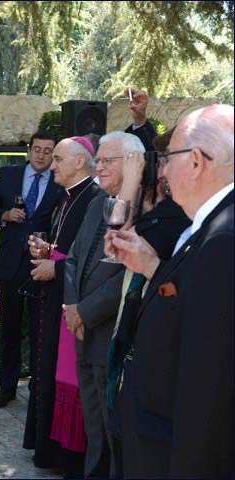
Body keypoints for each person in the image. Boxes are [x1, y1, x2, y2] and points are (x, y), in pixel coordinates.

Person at [110, 104, 233, 478]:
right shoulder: (211, 226)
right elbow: (193, 309)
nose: (161, 171)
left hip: (169, 453)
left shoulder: (223, 238)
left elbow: (209, 388)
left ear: (195, 162)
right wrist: (151, 267)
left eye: (168, 159)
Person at [104, 126, 190, 478]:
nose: (164, 169)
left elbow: (114, 244)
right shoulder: (165, 208)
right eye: (161, 161)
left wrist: (153, 269)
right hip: (132, 340)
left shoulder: (187, 217)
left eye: (169, 159)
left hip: (160, 360)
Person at [63, 131, 145, 477]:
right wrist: (71, 308)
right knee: (93, 427)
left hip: (110, 334)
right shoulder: (97, 202)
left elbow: (126, 277)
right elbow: (73, 258)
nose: (99, 167)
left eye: (107, 160)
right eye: (98, 160)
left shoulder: (145, 205)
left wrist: (86, 311)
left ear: (132, 163)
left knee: (115, 431)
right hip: (81, 331)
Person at [22, 136, 103, 475]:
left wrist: (54, 265)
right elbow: (68, 247)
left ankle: (66, 457)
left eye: (57, 158)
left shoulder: (96, 200)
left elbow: (93, 260)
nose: (51, 164)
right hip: (55, 298)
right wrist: (46, 249)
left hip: (74, 301)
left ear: (79, 162)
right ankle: (48, 450)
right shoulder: (68, 197)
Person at [0, 131, 65, 408]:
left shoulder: (60, 180)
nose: (42, 155)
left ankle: (38, 388)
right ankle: (6, 388)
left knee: (39, 330)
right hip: (8, 265)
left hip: (40, 265)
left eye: (48, 151)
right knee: (9, 330)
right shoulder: (8, 175)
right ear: (29, 151)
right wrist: (4, 215)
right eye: (37, 149)